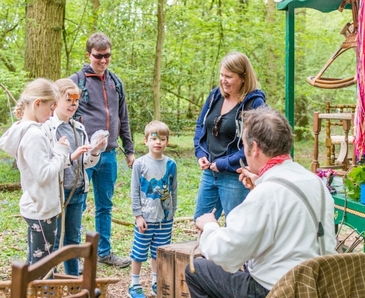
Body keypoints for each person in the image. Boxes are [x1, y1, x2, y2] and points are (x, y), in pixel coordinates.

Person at [185, 106, 338, 298]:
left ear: (255, 148)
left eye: (244, 146)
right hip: (320, 287)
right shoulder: (314, 180)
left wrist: (209, 226)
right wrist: (260, 184)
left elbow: (225, 253)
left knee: (197, 270)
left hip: (279, 290)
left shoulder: (267, 193)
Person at [69, 32, 135, 268]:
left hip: (108, 155)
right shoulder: (75, 82)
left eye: (107, 56)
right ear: (88, 55)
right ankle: (72, 256)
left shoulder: (115, 82)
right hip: (83, 155)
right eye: (98, 56)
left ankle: (104, 252)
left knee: (105, 206)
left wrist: (129, 150)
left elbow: (122, 118)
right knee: (77, 203)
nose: (103, 61)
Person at [0, 78, 70, 265]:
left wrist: (55, 152)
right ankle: (43, 293)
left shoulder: (26, 129)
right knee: (43, 267)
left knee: (36, 262)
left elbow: (39, 164)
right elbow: (43, 175)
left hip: (37, 206)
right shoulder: (34, 135)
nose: (53, 113)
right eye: (51, 108)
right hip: (42, 210)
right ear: (38, 103)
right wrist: (61, 153)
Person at [42, 78, 106, 276]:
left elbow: (86, 162)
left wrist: (95, 151)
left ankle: (72, 280)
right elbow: (51, 163)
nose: (73, 104)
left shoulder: (78, 128)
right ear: (56, 101)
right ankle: (48, 283)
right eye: (68, 99)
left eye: (76, 100)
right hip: (57, 194)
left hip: (78, 192)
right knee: (53, 241)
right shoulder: (47, 129)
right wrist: (71, 155)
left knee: (73, 240)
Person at [193, 52, 266, 220]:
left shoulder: (255, 104)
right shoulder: (214, 96)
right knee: (201, 221)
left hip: (236, 175)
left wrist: (225, 163)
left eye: (229, 76)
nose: (223, 80)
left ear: (243, 78)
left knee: (235, 226)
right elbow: (200, 125)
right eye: (221, 75)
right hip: (210, 172)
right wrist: (201, 153)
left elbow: (257, 143)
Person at [128, 120, 177, 298]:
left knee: (159, 252)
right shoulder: (139, 164)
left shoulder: (171, 164)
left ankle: (157, 281)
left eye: (162, 139)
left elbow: (174, 189)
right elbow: (134, 191)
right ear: (146, 140)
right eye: (154, 138)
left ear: (167, 141)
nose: (158, 142)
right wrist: (138, 215)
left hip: (164, 219)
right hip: (146, 218)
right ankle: (134, 284)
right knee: (139, 252)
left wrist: (171, 213)